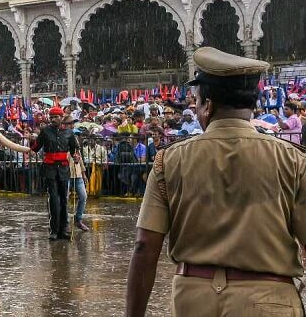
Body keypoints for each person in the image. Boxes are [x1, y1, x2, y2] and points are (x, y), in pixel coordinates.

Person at [126, 47, 306, 317]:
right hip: (270, 301)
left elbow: (144, 246)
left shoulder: (170, 160)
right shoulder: (294, 160)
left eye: (196, 102)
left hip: (194, 302)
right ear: (252, 104)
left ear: (208, 105)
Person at [31, 106, 77, 240]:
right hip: (50, 168)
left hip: (63, 169)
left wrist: (76, 156)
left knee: (63, 199)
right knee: (53, 200)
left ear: (61, 117)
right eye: (51, 117)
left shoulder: (69, 133)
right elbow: (36, 147)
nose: (53, 119)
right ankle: (54, 230)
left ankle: (64, 229)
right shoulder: (45, 131)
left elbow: (74, 150)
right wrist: (31, 141)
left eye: (56, 117)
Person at [68, 140, 89, 232]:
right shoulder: (65, 149)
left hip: (78, 175)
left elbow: (80, 162)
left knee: (83, 196)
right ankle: (64, 222)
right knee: (64, 198)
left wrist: (84, 174)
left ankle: (78, 219)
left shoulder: (77, 150)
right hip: (67, 175)